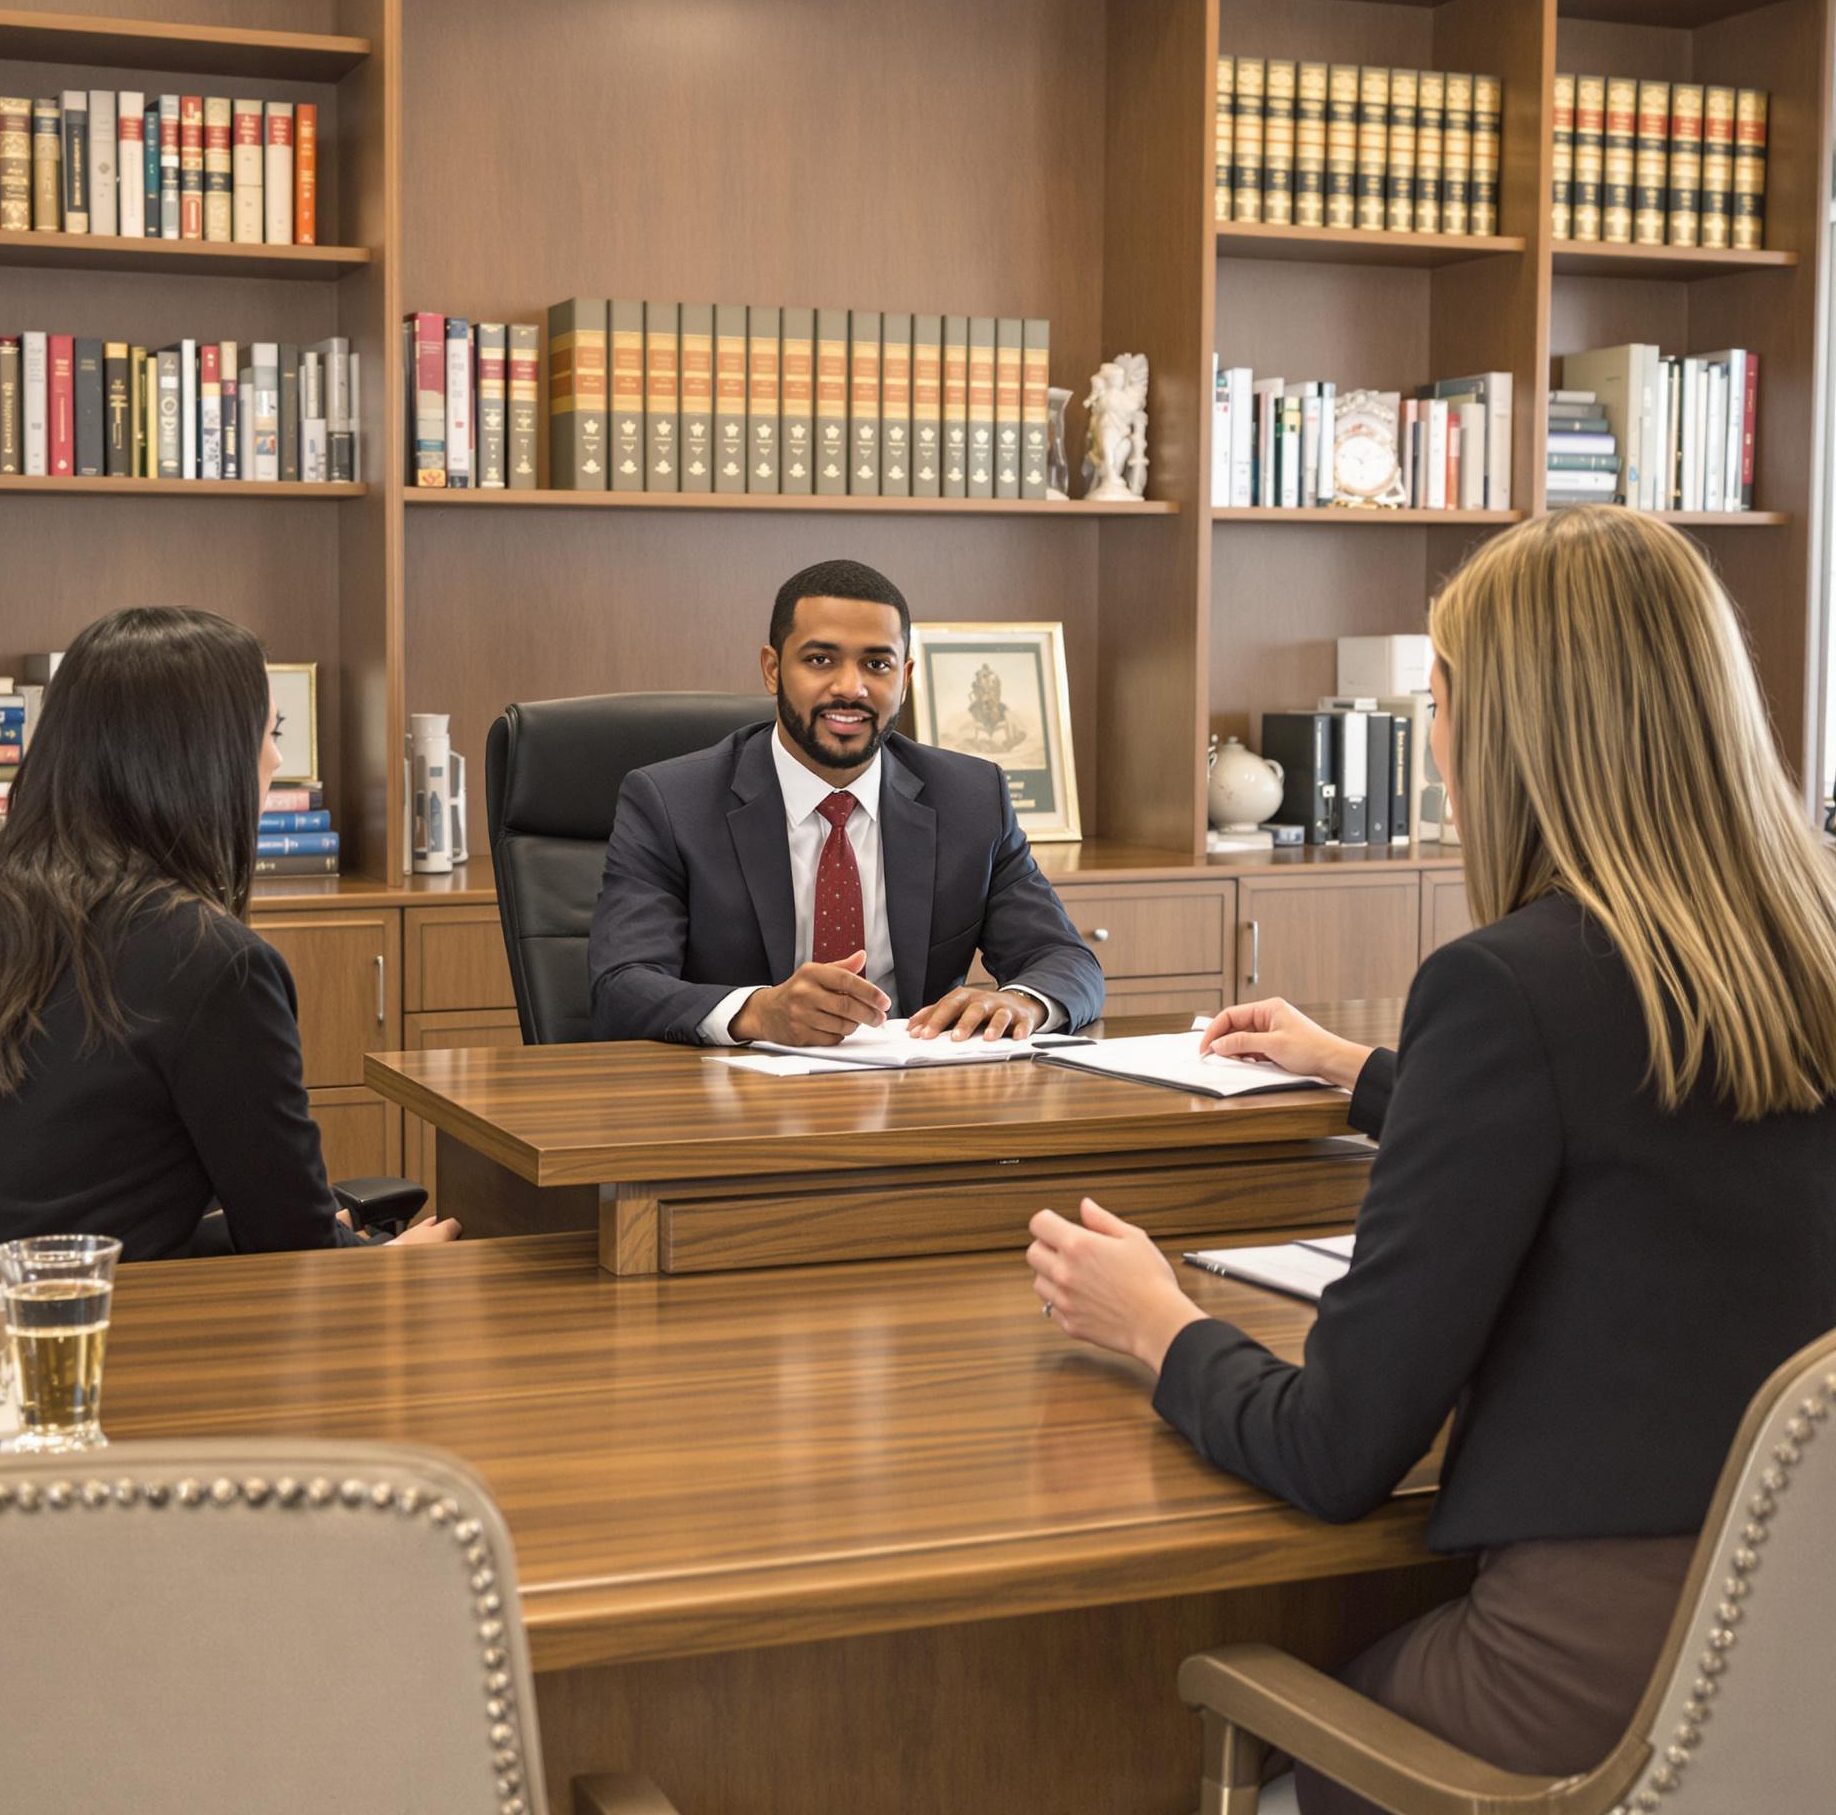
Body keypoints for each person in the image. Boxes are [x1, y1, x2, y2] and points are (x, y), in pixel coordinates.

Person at [1026, 508, 1836, 1811]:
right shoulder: (1799, 954)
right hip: (1807, 1680)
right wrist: (1365, 1073)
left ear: (1512, 728)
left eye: (1439, 703)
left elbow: (1333, 1453)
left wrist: (1155, 1322)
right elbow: (1652, 1126)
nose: (1436, 745)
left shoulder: (1510, 990)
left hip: (1600, 1689)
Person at [0, 606, 460, 1271]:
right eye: (267, 734)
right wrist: (387, 1266)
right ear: (204, 759)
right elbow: (293, 1250)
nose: (275, 758)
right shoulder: (215, 964)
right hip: (98, 1346)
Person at [589, 558, 1104, 1046]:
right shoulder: (670, 802)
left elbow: (1064, 960)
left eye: (876, 664)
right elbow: (622, 986)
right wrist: (756, 1012)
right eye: (820, 660)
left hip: (915, 1098)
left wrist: (1022, 1002)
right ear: (772, 669)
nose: (850, 688)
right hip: (731, 1098)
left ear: (903, 680)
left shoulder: (971, 798)